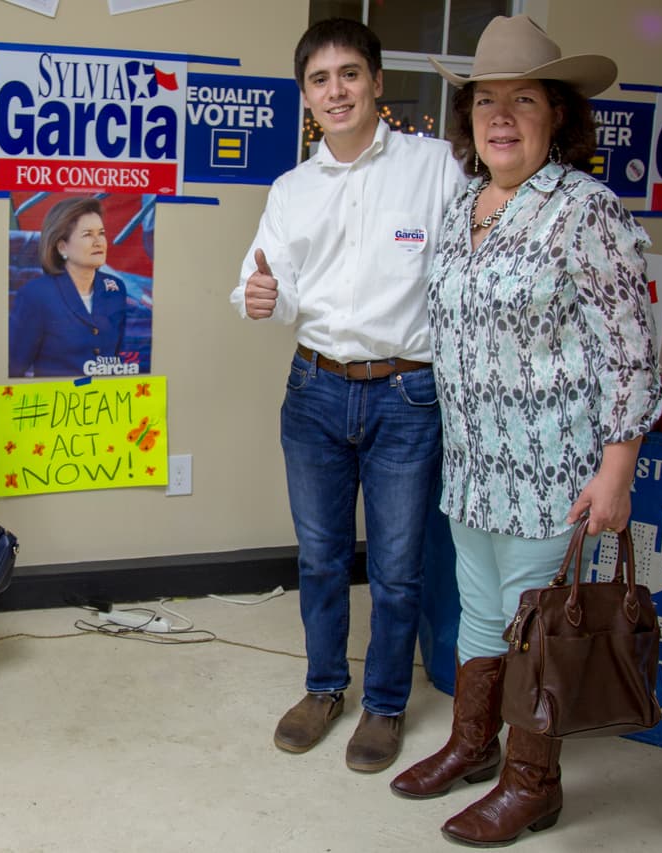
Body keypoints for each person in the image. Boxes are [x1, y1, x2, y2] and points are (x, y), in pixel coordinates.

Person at [390, 16, 662, 846]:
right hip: (474, 467)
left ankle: (532, 781)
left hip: (555, 473)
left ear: (557, 117)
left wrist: (617, 469)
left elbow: (630, 355)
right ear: (469, 120)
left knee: (538, 629)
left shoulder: (587, 211)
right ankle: (474, 743)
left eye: (523, 100)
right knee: (479, 615)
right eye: (485, 102)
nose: (500, 116)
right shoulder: (461, 205)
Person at [232, 18, 466, 773]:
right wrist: (260, 294)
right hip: (314, 389)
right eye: (320, 80)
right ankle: (324, 687)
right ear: (306, 95)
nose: (336, 91)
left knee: (399, 567)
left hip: (408, 395)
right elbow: (265, 279)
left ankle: (388, 703)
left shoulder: (435, 168)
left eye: (349, 75)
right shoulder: (292, 188)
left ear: (376, 82)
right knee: (323, 558)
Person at [8, 196, 127, 377]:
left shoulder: (115, 289)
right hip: (54, 401)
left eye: (101, 233)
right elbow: (15, 367)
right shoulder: (36, 294)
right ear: (62, 247)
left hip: (105, 400)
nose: (99, 242)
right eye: (88, 234)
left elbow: (118, 360)